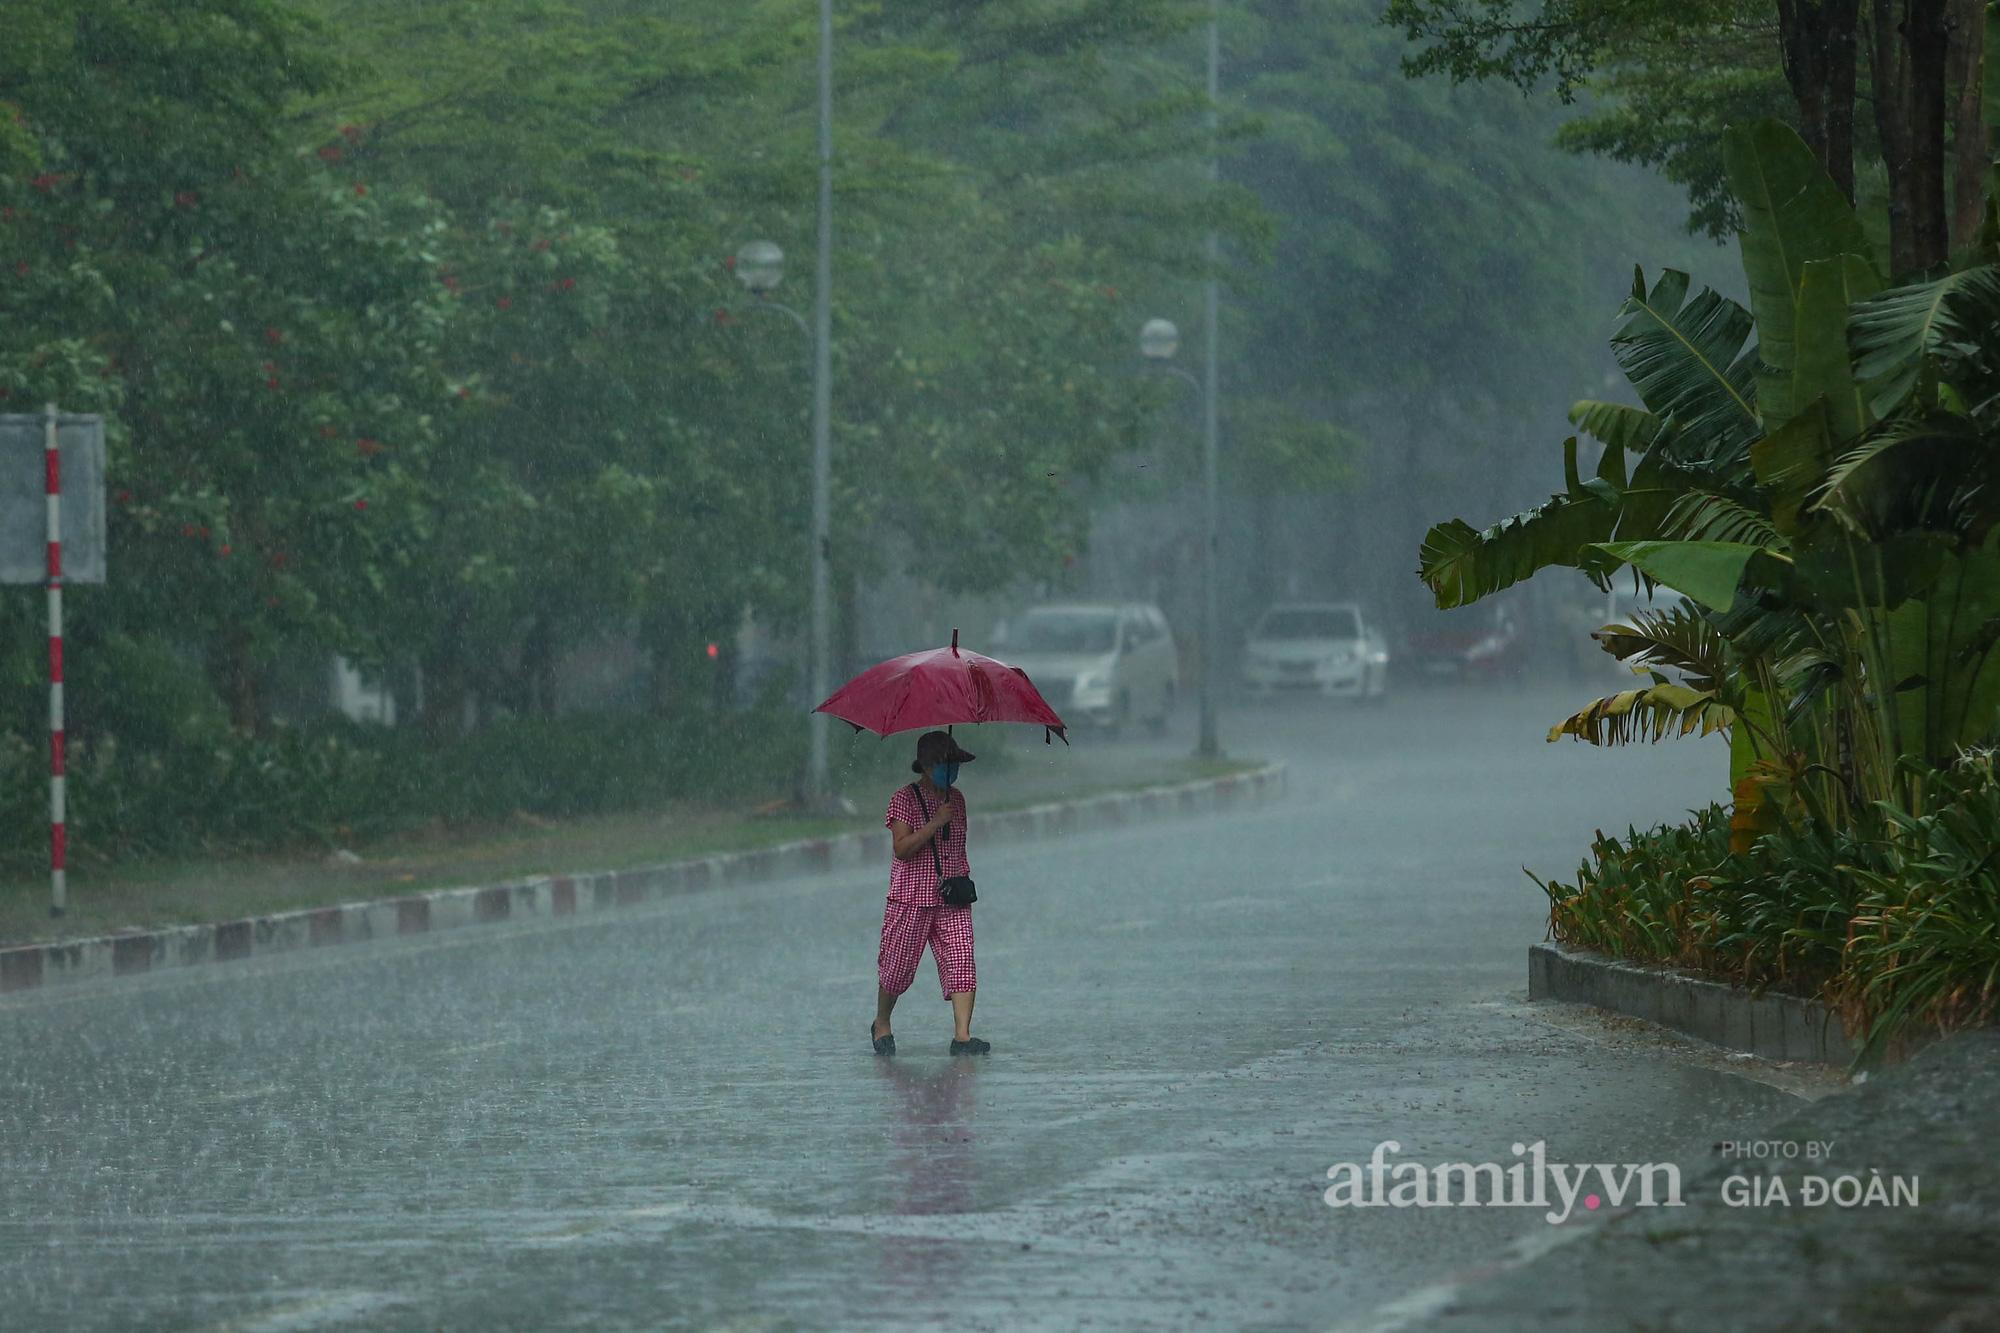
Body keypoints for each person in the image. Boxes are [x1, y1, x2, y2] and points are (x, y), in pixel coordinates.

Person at [871, 730, 989, 1056]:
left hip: (952, 897)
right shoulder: (903, 800)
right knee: (897, 967)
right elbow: (902, 849)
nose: (949, 771)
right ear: (924, 765)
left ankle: (962, 1035)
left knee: (961, 960)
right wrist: (934, 824)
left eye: (953, 764)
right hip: (912, 898)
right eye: (942, 764)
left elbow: (956, 847)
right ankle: (882, 1022)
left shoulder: (958, 800)